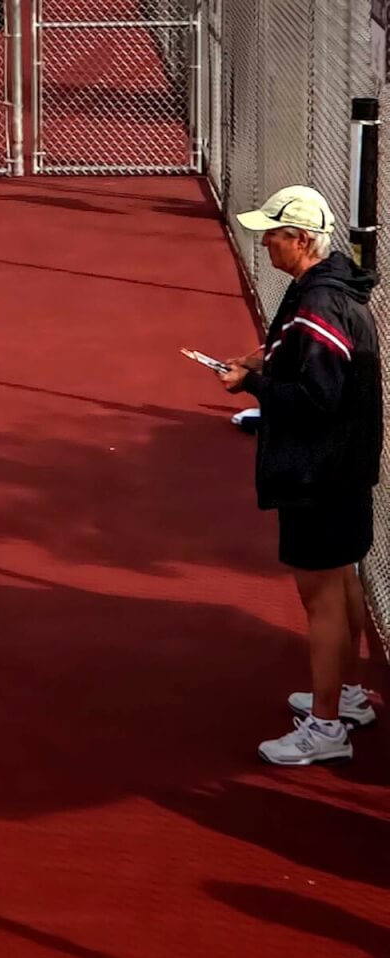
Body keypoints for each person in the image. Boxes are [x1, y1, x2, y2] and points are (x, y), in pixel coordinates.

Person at [217, 185, 383, 765]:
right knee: (343, 581)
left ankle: (327, 726)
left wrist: (253, 385)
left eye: (275, 234)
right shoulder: (328, 287)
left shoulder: (318, 305)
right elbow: (300, 352)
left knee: (321, 598)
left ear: (304, 239)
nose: (264, 242)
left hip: (320, 474)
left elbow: (316, 397)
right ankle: (351, 694)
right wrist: (263, 360)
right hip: (343, 471)